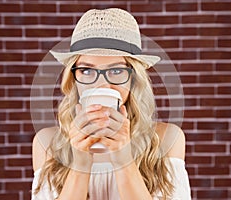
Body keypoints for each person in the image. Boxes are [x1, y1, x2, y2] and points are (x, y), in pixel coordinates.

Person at [31, 8, 191, 200]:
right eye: (87, 71)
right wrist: (80, 165)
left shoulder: (166, 139)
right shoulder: (47, 143)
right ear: (73, 79)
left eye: (116, 71)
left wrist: (124, 160)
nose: (102, 84)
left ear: (134, 79)